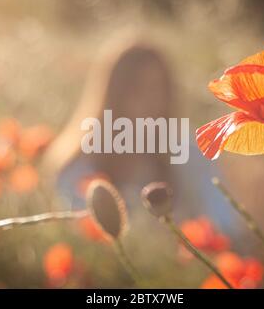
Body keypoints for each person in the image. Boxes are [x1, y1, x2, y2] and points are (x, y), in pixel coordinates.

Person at [44, 36, 234, 230]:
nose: (146, 102)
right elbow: (74, 230)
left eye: (155, 88)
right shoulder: (80, 162)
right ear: (111, 95)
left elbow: (226, 226)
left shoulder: (190, 154)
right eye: (135, 90)